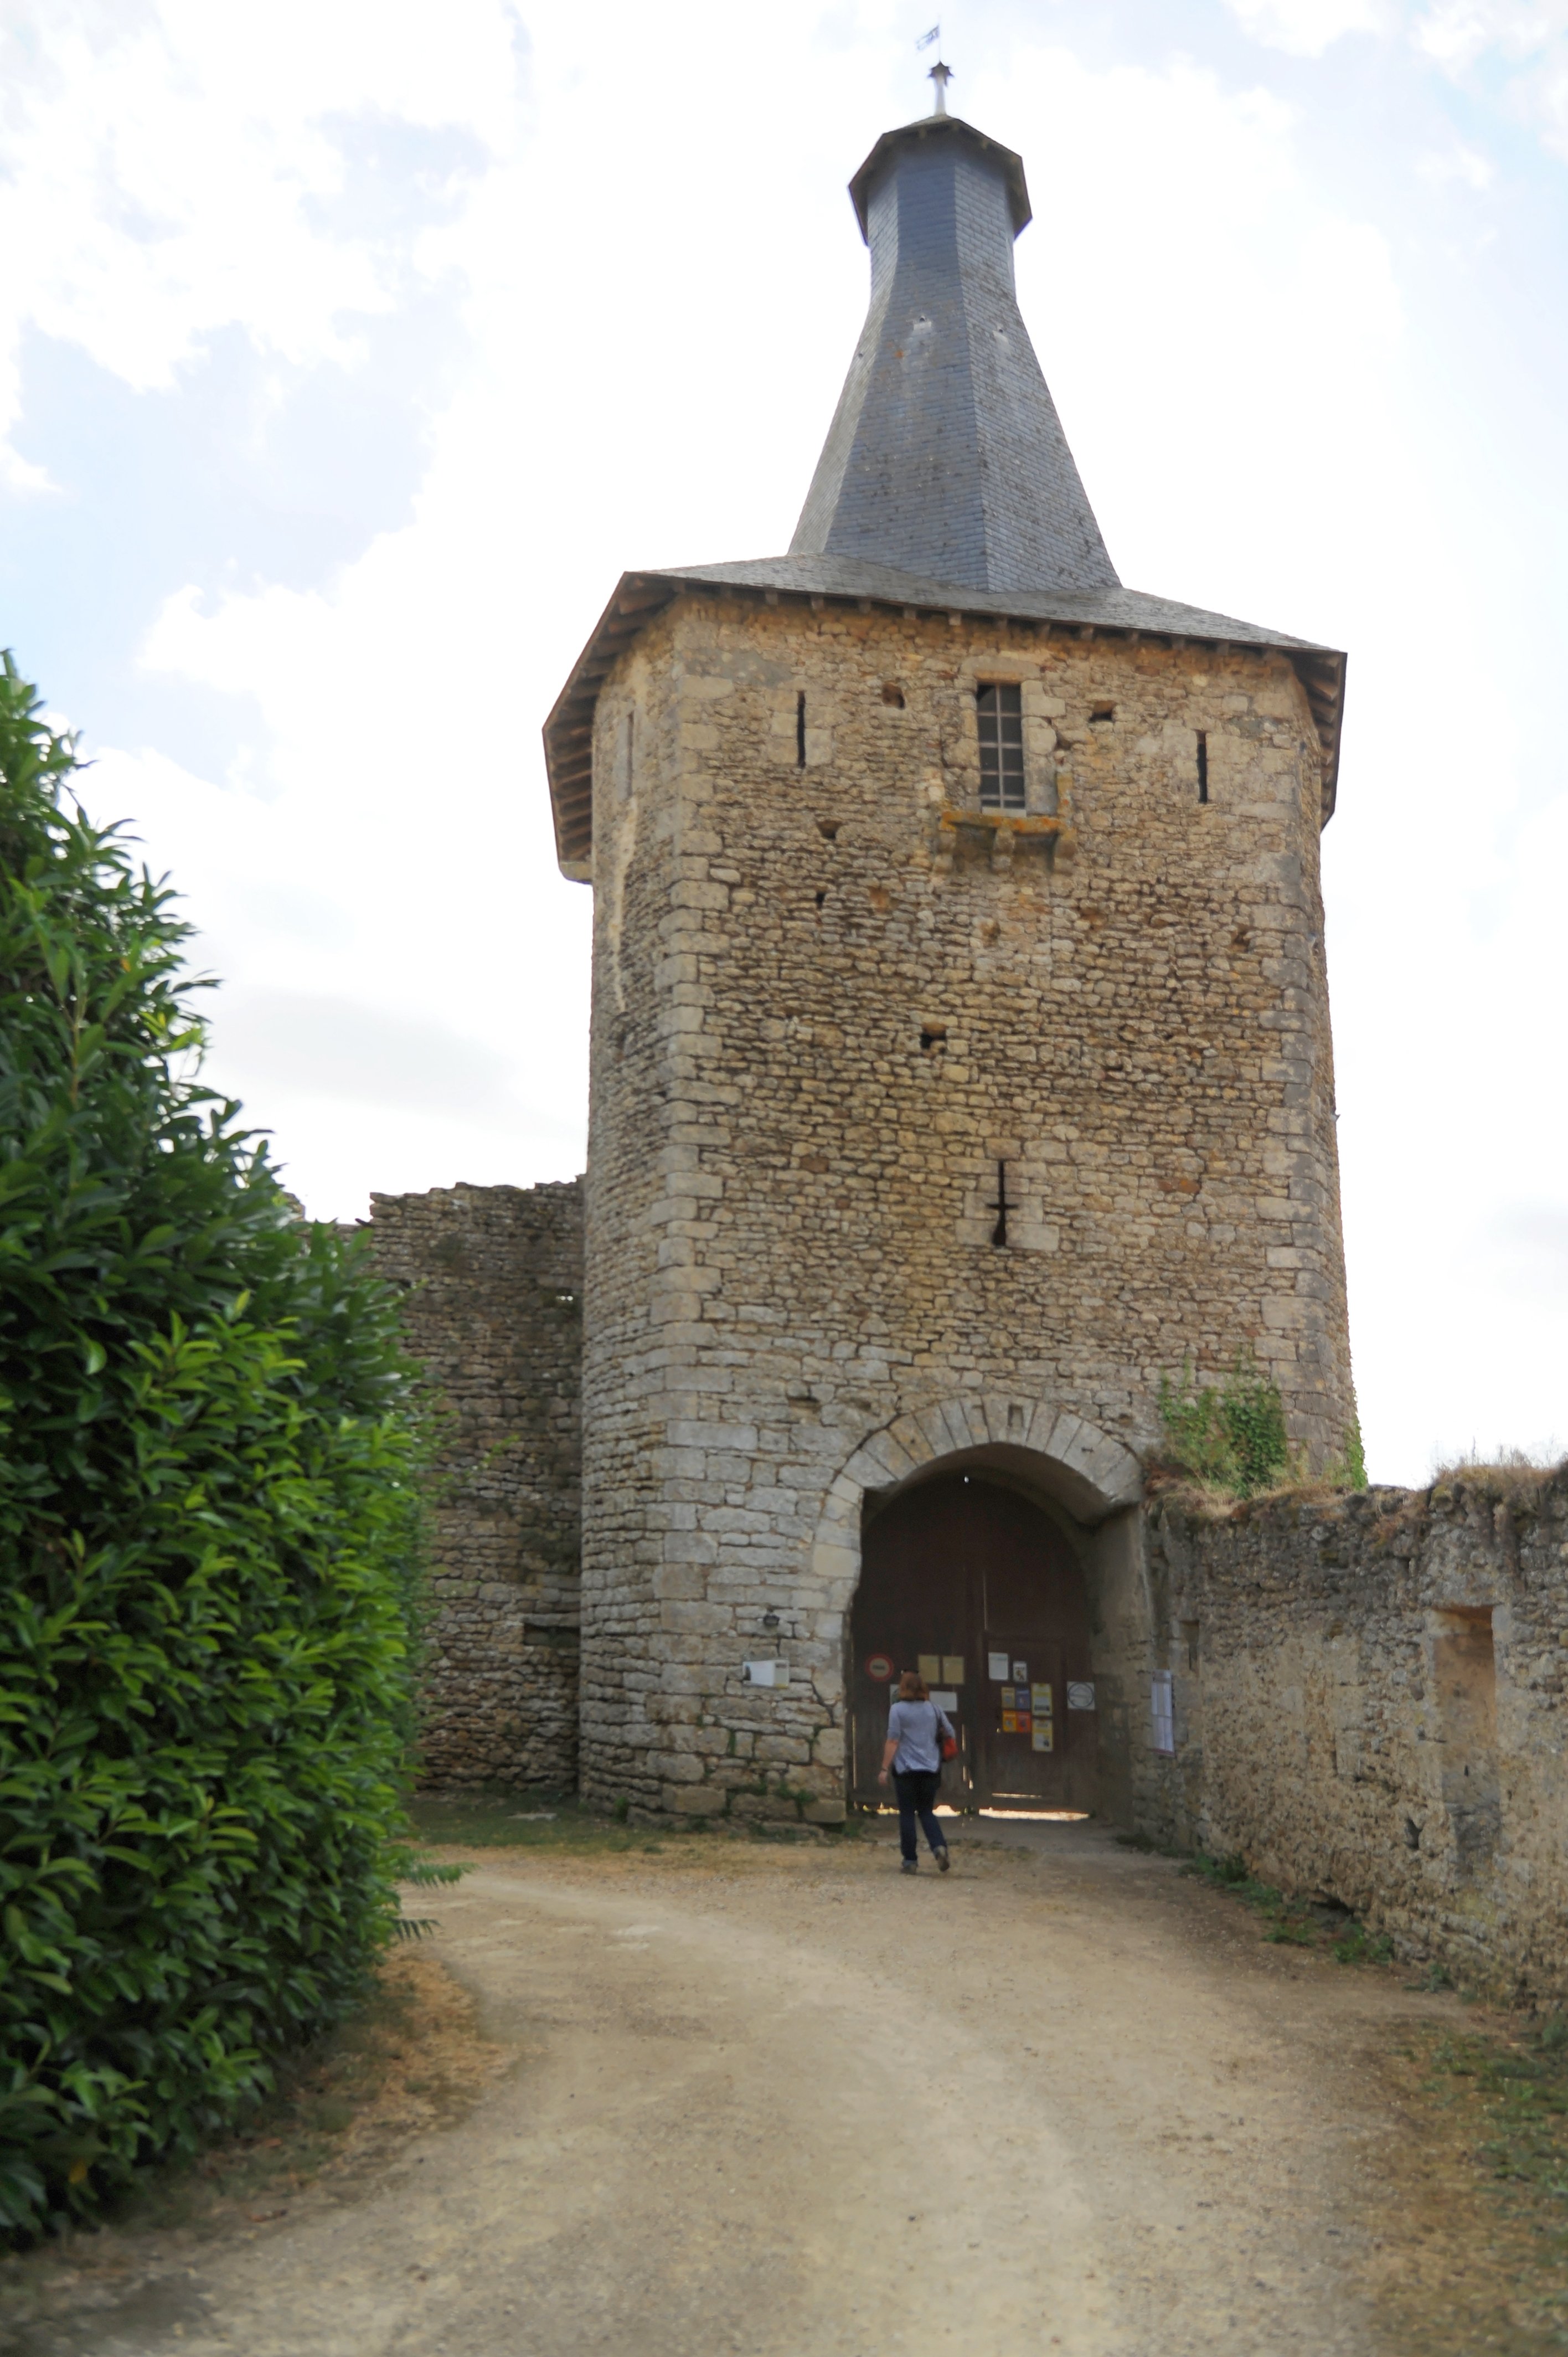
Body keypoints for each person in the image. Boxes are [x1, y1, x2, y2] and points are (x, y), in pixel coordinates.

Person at [878, 1669, 953, 1874]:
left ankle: (910, 1861)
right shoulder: (935, 1710)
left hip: (906, 1769)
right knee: (927, 1811)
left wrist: (885, 1768)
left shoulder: (897, 1710)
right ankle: (939, 1847)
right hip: (931, 1769)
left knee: (907, 1814)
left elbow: (893, 1740)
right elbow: (951, 1732)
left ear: (902, 1688)